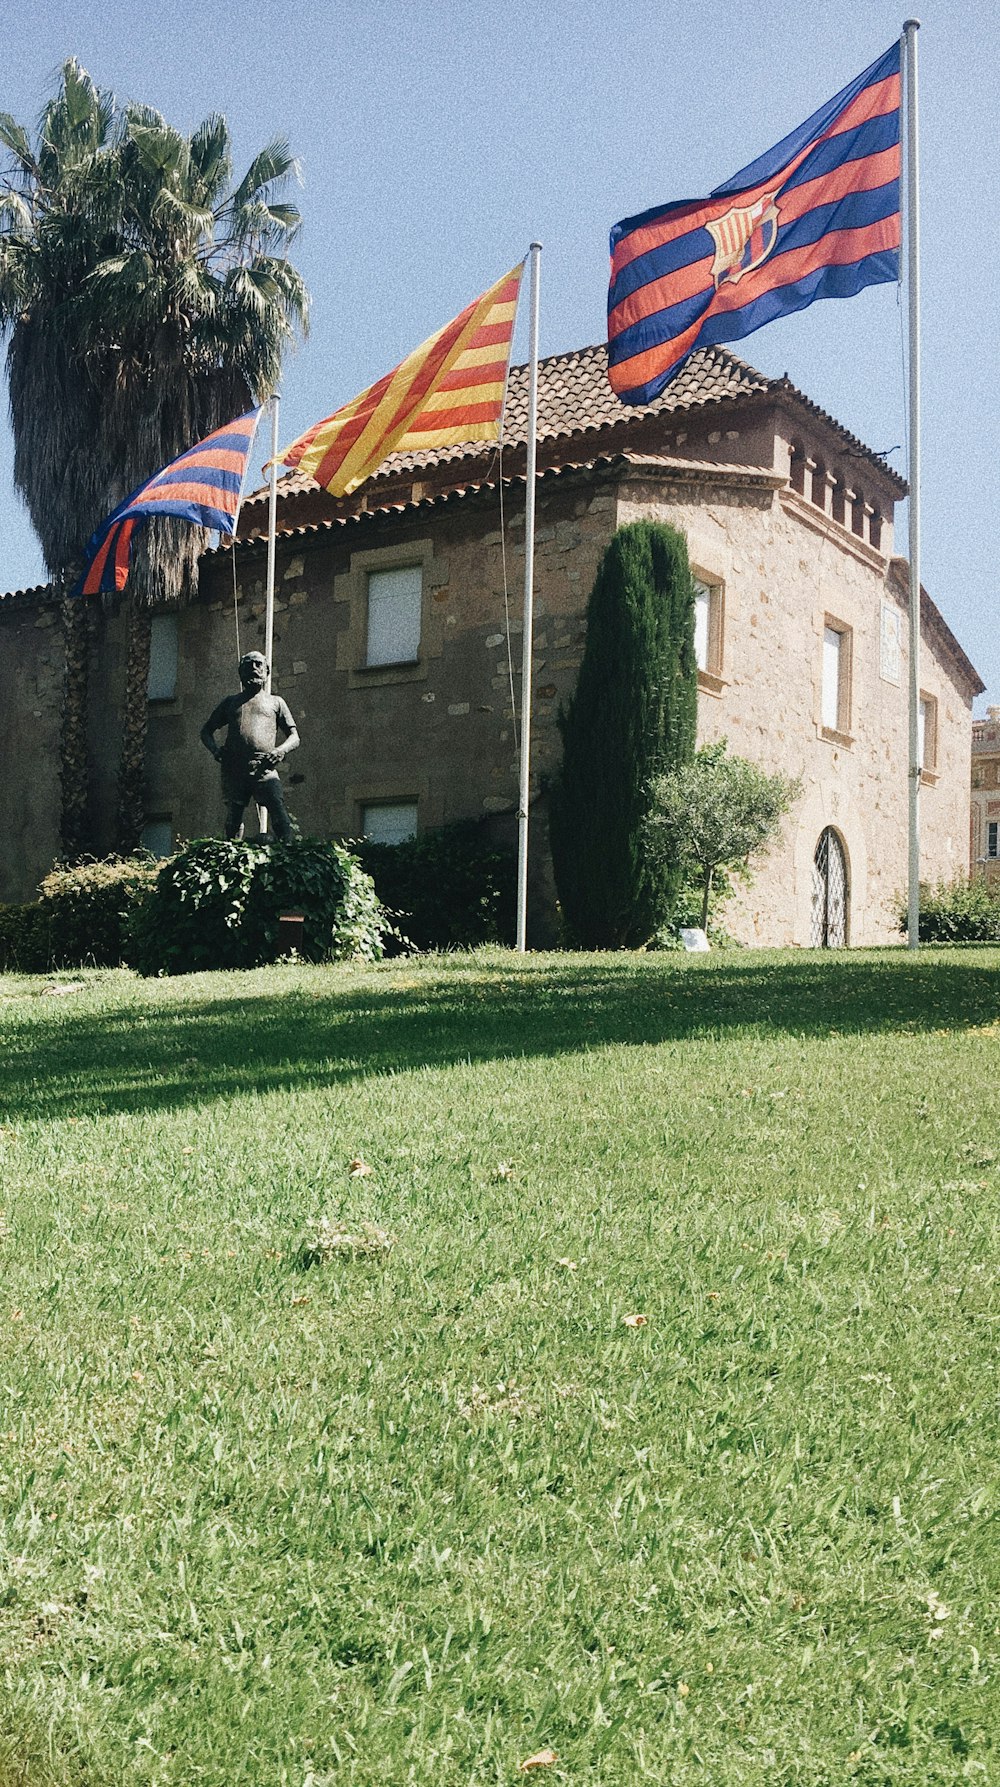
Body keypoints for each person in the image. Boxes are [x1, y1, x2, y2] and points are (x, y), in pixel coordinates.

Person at [200, 651, 300, 842]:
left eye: (258, 665)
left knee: (279, 812)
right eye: (248, 666)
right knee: (233, 819)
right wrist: (215, 750)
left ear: (266, 670)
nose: (254, 669)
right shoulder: (230, 703)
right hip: (235, 768)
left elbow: (294, 736)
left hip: (264, 767)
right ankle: (232, 855)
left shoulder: (276, 703)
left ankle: (289, 851)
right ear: (241, 673)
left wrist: (280, 751)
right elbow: (206, 731)